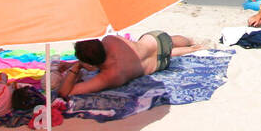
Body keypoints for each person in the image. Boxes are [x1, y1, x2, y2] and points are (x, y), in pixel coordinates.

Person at [59, 32, 204, 95]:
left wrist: (76, 66)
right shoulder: (110, 40)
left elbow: (65, 92)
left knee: (166, 53)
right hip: (156, 39)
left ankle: (194, 49)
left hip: (159, 63)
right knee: (168, 42)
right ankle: (191, 41)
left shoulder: (110, 76)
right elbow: (98, 54)